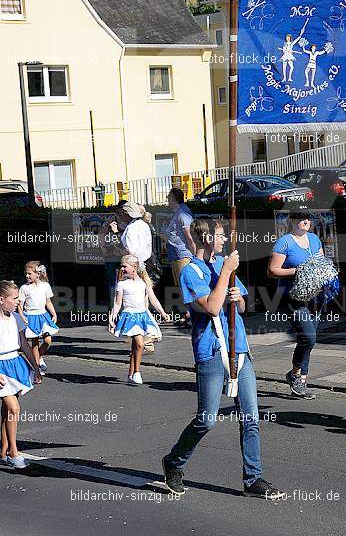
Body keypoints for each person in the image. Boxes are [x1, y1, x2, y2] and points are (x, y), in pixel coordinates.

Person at [162, 217, 285, 500]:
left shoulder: (221, 264)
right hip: (212, 352)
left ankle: (252, 479)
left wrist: (236, 295)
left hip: (239, 349)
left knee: (250, 417)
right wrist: (226, 273)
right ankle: (174, 462)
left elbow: (240, 304)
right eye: (219, 236)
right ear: (206, 238)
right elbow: (213, 308)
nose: (223, 241)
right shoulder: (191, 272)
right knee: (207, 419)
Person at [268, 211, 323, 399]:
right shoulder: (284, 242)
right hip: (293, 298)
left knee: (309, 339)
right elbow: (272, 271)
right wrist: (296, 270)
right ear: (292, 222)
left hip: (316, 297)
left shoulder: (315, 239)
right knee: (309, 337)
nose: (306, 221)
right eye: (301, 218)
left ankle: (300, 380)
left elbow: (321, 262)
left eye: (308, 218)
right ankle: (295, 375)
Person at [108, 254, 170, 386]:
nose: (122, 269)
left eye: (125, 266)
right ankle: (137, 372)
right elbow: (118, 304)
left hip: (142, 316)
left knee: (136, 346)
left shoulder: (144, 283)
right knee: (140, 344)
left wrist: (162, 312)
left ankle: (131, 374)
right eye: (122, 266)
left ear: (134, 267)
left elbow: (153, 299)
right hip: (130, 316)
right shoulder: (122, 284)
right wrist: (112, 317)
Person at [0, 280, 41, 469]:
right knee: (14, 408)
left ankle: (4, 451)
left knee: (7, 410)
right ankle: (14, 452)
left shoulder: (15, 317)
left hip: (16, 364)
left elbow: (24, 344)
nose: (18, 301)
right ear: (2, 299)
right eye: (15, 298)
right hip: (1, 368)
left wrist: (36, 366)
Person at [17, 261, 58, 376]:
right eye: (26, 274)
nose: (27, 276)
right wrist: (21, 316)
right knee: (35, 342)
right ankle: (37, 366)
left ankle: (38, 358)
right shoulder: (24, 288)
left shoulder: (45, 286)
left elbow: (48, 302)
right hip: (30, 316)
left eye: (29, 273)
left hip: (43, 315)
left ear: (37, 274)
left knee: (48, 340)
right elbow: (20, 304)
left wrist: (54, 314)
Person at [166, 188, 195, 326]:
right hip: (176, 254)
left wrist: (195, 254)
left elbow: (190, 237)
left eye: (168, 198)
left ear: (173, 199)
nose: (167, 201)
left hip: (183, 254)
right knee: (180, 285)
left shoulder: (183, 214)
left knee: (185, 285)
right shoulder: (178, 213)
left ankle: (191, 313)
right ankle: (188, 312)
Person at [99, 199, 129, 304]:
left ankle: (123, 302)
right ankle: (114, 305)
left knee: (125, 279)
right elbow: (102, 233)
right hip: (112, 254)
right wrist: (103, 248)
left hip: (124, 254)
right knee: (113, 281)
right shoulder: (112, 218)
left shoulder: (129, 219)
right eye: (123, 208)